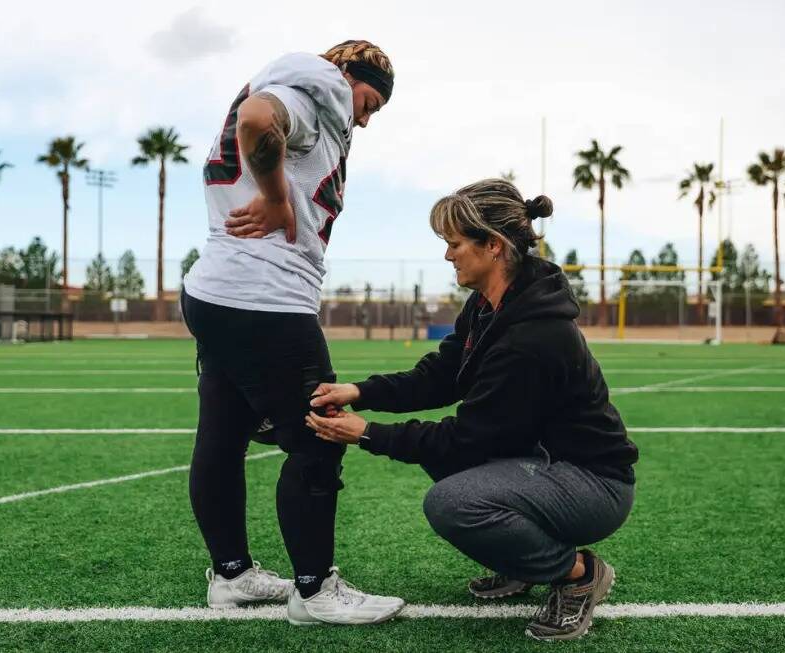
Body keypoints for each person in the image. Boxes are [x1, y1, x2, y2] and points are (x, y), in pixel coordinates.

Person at [306, 178, 639, 641]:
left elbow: (467, 438)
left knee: (452, 502)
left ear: (494, 246)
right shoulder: (487, 305)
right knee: (445, 462)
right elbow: (440, 376)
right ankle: (520, 560)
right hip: (540, 462)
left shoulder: (534, 337)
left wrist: (367, 434)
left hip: (592, 483)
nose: (448, 255)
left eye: (455, 244)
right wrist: (359, 391)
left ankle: (578, 573)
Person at [181, 40, 404, 626]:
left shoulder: (305, 90)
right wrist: (279, 199)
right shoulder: (321, 87)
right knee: (319, 433)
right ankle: (314, 590)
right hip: (264, 299)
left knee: (223, 436)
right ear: (348, 75)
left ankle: (230, 576)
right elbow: (260, 120)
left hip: (217, 289)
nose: (364, 118)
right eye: (369, 101)